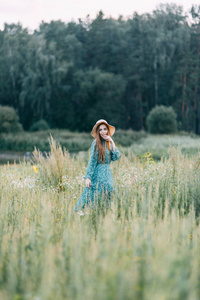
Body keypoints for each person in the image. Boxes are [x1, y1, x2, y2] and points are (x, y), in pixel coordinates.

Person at [74, 119, 121, 213]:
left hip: (107, 174)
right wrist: (88, 177)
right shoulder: (95, 144)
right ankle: (83, 213)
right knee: (92, 194)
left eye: (104, 129)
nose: (103, 132)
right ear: (98, 132)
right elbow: (92, 161)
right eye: (100, 130)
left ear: (108, 130)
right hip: (98, 173)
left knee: (110, 192)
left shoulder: (109, 143)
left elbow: (116, 157)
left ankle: (104, 214)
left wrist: (112, 141)